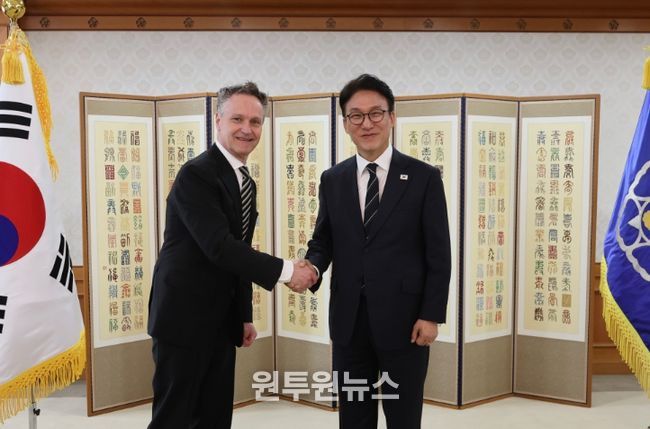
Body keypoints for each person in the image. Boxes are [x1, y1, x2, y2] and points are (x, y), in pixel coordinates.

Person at [147, 82, 317, 429]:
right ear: (218, 120)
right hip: (183, 317)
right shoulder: (197, 174)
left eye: (255, 122)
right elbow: (219, 246)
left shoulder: (244, 181)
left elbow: (238, 253)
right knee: (174, 417)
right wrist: (288, 271)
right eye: (237, 119)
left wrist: (242, 315)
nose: (247, 129)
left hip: (221, 320)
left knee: (215, 416)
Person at [305, 74, 452, 429]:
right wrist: (311, 268)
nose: (366, 123)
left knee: (403, 417)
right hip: (349, 322)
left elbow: (439, 253)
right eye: (356, 115)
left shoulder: (423, 177)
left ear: (392, 117)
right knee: (354, 416)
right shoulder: (333, 179)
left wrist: (431, 315)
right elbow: (323, 240)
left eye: (376, 113)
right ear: (345, 124)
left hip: (406, 323)